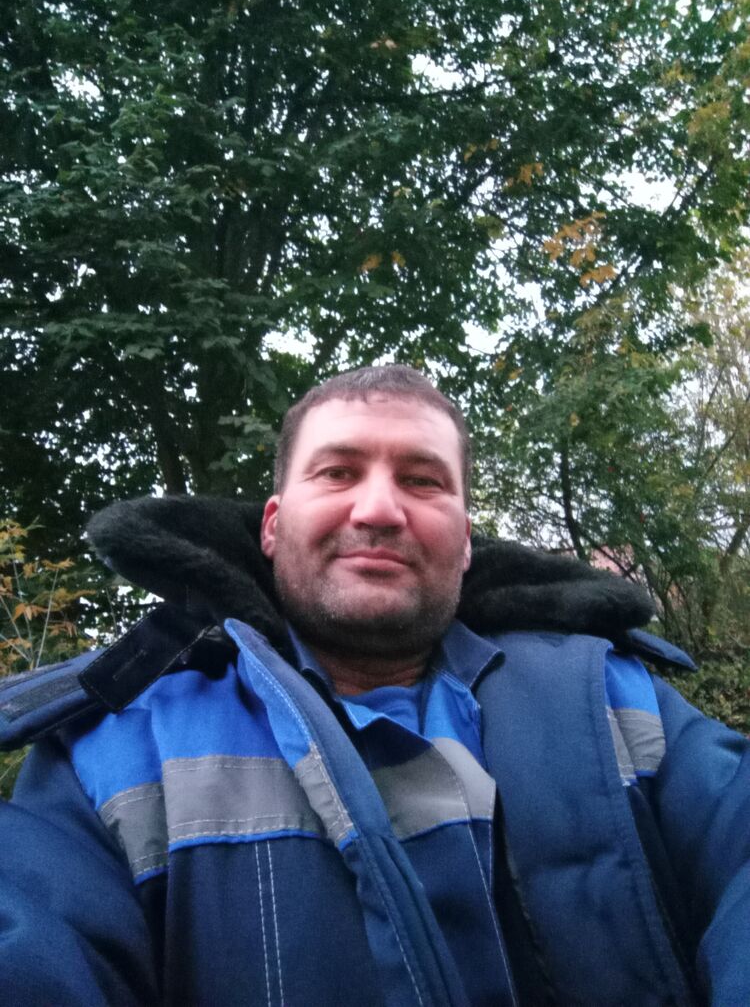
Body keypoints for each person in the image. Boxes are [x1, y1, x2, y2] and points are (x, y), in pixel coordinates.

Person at [0, 364, 747, 1006]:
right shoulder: (114, 747)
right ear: (271, 526)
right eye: (337, 472)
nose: (380, 509)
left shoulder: (612, 696)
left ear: (465, 542)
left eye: (422, 481)